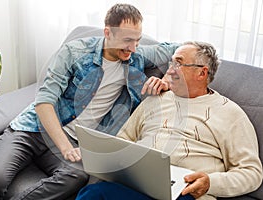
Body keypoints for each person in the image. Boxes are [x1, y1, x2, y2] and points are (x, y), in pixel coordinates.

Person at [0, 3, 179, 200]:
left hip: (74, 140)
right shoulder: (75, 52)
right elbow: (44, 102)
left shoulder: (138, 55)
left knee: (76, 176)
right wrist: (64, 148)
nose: (133, 48)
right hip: (32, 130)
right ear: (107, 33)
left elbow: (179, 50)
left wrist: (168, 78)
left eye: (138, 40)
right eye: (127, 40)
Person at [75, 41, 263, 200]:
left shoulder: (230, 113)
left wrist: (209, 183)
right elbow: (123, 141)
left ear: (202, 73)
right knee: (94, 194)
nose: (170, 70)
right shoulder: (156, 99)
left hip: (185, 192)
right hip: (139, 184)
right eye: (171, 62)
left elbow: (251, 172)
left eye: (178, 64)